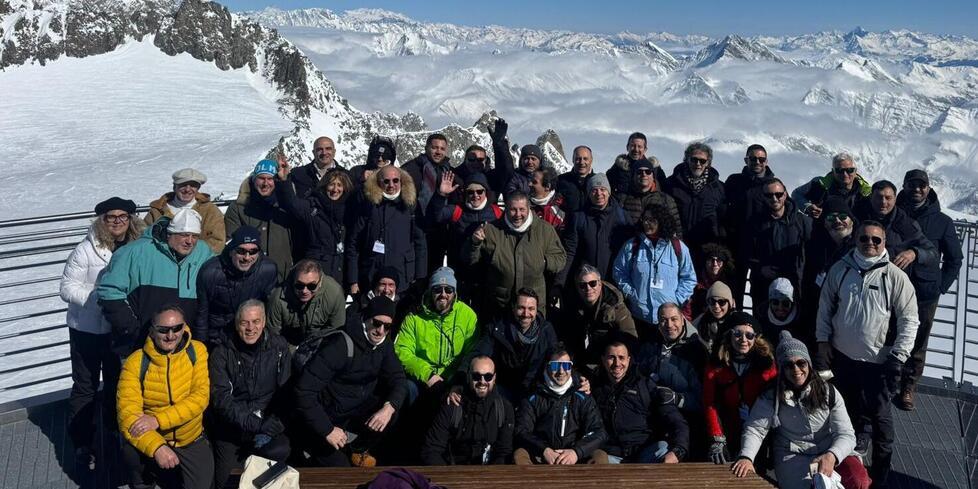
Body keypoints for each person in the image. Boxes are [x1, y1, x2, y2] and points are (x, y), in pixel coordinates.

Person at [815, 220, 919, 486]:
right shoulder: (841, 269)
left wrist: (898, 357)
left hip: (878, 363)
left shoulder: (895, 276)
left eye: (876, 240)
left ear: (884, 243)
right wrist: (823, 341)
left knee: (881, 419)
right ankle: (842, 472)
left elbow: (910, 319)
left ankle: (881, 474)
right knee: (841, 413)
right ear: (855, 240)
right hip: (842, 357)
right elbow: (825, 306)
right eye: (864, 239)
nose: (870, 244)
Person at [60, 197, 144, 468]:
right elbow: (66, 288)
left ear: (131, 219)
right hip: (86, 329)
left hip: (117, 330)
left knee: (116, 382)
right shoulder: (86, 250)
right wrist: (101, 297)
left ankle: (111, 430)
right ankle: (82, 441)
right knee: (85, 386)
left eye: (123, 216)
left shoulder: (137, 247)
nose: (117, 221)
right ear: (102, 220)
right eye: (111, 217)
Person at [733, 331, 871, 489]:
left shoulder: (829, 392)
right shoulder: (771, 396)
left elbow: (846, 434)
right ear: (781, 369)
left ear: (809, 364)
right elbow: (756, 429)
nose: (796, 369)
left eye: (801, 363)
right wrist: (746, 457)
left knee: (859, 481)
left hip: (829, 448)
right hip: (792, 454)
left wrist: (832, 455)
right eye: (788, 365)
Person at [293, 296, 408, 467]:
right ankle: (310, 450)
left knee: (392, 411)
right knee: (342, 471)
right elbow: (303, 391)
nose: (381, 331)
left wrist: (389, 407)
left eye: (387, 326)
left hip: (352, 410)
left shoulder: (384, 344)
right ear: (366, 318)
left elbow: (398, 378)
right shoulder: (339, 345)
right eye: (376, 323)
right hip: (324, 416)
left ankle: (357, 448)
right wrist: (327, 430)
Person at [116, 306, 212, 489]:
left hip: (190, 438)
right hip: (155, 436)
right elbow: (127, 416)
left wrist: (158, 420)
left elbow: (200, 398)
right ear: (152, 331)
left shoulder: (197, 351)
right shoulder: (135, 363)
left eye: (177, 328)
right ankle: (144, 483)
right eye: (163, 329)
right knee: (130, 452)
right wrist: (157, 447)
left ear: (184, 327)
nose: (171, 335)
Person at [98, 208, 214, 357]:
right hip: (140, 347)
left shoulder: (203, 252)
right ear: (170, 233)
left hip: (184, 348)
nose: (189, 241)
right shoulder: (135, 252)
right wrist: (132, 329)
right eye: (184, 235)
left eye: (195, 236)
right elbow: (109, 292)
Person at [896, 169, 963, 409]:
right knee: (886, 335)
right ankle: (888, 381)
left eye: (921, 185)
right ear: (904, 186)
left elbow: (955, 258)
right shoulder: (894, 212)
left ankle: (908, 387)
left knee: (918, 342)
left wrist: (940, 287)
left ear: (928, 188)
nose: (917, 189)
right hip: (893, 288)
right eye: (912, 184)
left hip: (925, 293)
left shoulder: (942, 221)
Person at [208, 300, 292, 489]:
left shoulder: (278, 347)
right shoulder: (222, 352)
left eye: (255, 322)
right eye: (244, 322)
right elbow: (222, 400)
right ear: (237, 324)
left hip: (267, 422)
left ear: (264, 322)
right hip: (233, 428)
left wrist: (274, 424)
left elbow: (286, 393)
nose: (250, 328)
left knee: (278, 457)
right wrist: (256, 424)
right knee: (226, 483)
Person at [464, 191, 566, 319]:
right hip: (499, 305)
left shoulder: (545, 230)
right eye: (513, 209)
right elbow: (472, 262)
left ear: (529, 208)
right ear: (506, 208)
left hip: (533, 306)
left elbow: (560, 257)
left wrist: (544, 262)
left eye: (522, 209)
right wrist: (475, 244)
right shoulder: (491, 230)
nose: (518, 215)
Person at [592, 341, 689, 463]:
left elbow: (674, 419)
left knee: (664, 448)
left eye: (621, 358)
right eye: (612, 358)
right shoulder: (593, 387)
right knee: (595, 458)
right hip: (611, 454)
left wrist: (679, 450)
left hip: (644, 451)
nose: (617, 364)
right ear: (603, 360)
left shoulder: (645, 386)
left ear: (628, 360)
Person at [703, 312, 778, 465]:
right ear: (729, 336)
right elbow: (709, 402)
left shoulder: (765, 364)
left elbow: (773, 402)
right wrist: (717, 437)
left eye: (749, 335)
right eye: (738, 334)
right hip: (727, 425)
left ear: (755, 338)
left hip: (758, 427)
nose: (743, 340)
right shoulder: (716, 365)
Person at [635, 303, 709, 457]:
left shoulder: (695, 351)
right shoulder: (649, 344)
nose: (669, 325)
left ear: (683, 320)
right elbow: (637, 375)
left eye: (674, 319)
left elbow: (703, 399)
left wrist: (677, 398)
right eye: (663, 320)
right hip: (651, 414)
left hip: (685, 420)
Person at [395, 267, 480, 400]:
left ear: (455, 293)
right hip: (423, 378)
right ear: (430, 291)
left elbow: (473, 351)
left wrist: (458, 378)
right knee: (405, 389)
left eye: (448, 290)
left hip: (454, 378)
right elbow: (403, 351)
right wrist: (428, 375)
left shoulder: (468, 315)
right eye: (437, 290)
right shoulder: (415, 317)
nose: (443, 294)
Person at [514, 348, 608, 465]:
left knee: (600, 456)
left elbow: (599, 431)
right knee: (520, 454)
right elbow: (521, 430)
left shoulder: (582, 395)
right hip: (542, 455)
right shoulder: (534, 396)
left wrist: (576, 452)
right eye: (555, 366)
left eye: (566, 366)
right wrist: (544, 450)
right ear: (547, 366)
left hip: (574, 455)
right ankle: (530, 483)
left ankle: (593, 484)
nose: (561, 371)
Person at [345, 164, 426, 295]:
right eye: (386, 181)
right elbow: (353, 243)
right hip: (371, 275)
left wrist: (420, 278)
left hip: (403, 276)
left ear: (401, 181)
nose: (391, 185)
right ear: (379, 182)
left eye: (395, 180)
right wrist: (353, 281)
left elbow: (420, 242)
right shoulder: (368, 204)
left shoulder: (410, 205)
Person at [612, 204, 696, 328]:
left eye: (651, 220)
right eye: (644, 219)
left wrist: (677, 299)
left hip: (668, 320)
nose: (646, 223)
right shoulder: (632, 245)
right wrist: (631, 294)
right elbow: (619, 272)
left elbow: (689, 278)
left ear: (661, 221)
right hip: (639, 316)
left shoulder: (678, 247)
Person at [421, 356, 515, 465]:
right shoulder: (452, 404)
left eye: (488, 377)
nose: (482, 381)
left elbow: (504, 452)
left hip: (489, 474)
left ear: (494, 378)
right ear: (469, 376)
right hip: (452, 471)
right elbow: (431, 450)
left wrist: (491, 477)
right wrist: (448, 477)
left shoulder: (504, 408)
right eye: (476, 376)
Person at [426, 171, 503, 304]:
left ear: (486, 192)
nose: (475, 195)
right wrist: (441, 195)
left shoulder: (496, 212)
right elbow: (435, 216)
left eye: (480, 191)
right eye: (470, 192)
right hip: (460, 272)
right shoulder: (457, 210)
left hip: (487, 273)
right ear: (465, 193)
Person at [195, 226, 278, 346]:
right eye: (241, 251)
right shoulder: (210, 271)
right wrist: (200, 346)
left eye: (253, 251)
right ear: (231, 251)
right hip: (218, 336)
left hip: (250, 333)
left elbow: (270, 309)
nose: (247, 257)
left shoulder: (268, 270)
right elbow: (201, 313)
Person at [472, 288, 558, 401]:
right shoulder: (498, 328)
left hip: (534, 390)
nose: (526, 314)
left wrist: (576, 379)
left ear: (537, 310)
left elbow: (557, 356)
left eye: (531, 309)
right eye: (521, 308)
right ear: (513, 307)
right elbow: (479, 354)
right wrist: (460, 380)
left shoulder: (546, 330)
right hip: (502, 390)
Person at [277, 162, 355, 284]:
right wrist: (284, 180)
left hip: (341, 272)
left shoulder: (350, 209)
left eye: (339, 185)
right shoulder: (312, 206)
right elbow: (291, 203)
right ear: (324, 186)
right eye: (331, 185)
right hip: (316, 272)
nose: (335, 189)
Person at [739, 178, 811, 303]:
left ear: (785, 194)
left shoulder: (801, 222)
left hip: (796, 286)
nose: (774, 199)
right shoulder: (754, 223)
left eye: (778, 194)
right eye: (769, 195)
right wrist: (760, 268)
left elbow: (813, 251)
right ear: (763, 197)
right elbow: (745, 252)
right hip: (763, 286)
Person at [558, 173, 632, 295]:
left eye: (603, 189)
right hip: (586, 284)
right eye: (594, 190)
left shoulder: (622, 217)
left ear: (608, 192)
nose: (599, 194)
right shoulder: (579, 218)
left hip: (613, 283)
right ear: (588, 193)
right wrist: (559, 283)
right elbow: (570, 252)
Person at [225, 160, 298, 283]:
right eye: (261, 178)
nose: (265, 183)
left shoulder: (287, 207)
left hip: (282, 278)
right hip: (247, 279)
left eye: (270, 179)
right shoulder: (238, 208)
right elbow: (230, 242)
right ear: (254, 180)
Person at [799, 197, 856, 347]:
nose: (838, 221)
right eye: (831, 217)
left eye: (843, 216)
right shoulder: (815, 248)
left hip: (850, 324)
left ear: (852, 221)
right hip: (819, 321)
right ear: (824, 222)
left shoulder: (861, 249)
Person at [558, 265, 637, 367]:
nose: (588, 288)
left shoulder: (615, 306)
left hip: (608, 360)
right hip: (580, 357)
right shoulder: (570, 304)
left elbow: (630, 338)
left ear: (600, 284)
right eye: (583, 285)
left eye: (593, 283)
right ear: (577, 287)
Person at [401, 133, 454, 273]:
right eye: (435, 147)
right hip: (414, 229)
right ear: (426, 148)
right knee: (416, 272)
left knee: (434, 271)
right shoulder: (410, 169)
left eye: (442, 149)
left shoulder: (448, 171)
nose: (438, 152)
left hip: (439, 230)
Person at [266, 259, 346, 347]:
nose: (304, 291)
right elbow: (273, 336)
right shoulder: (277, 298)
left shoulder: (334, 293)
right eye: (299, 285)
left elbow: (337, 332)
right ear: (293, 281)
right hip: (288, 343)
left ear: (320, 282)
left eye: (311, 286)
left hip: (320, 344)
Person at [144, 168, 226, 253]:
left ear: (198, 188)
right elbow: (144, 237)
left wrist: (192, 255)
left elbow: (217, 241)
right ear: (174, 186)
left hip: (198, 262)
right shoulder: (157, 211)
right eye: (183, 184)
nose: (187, 189)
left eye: (193, 185)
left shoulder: (210, 211)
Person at [664, 142, 726, 253]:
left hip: (707, 247)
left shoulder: (718, 187)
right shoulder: (671, 184)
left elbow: (722, 218)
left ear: (708, 163)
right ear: (687, 160)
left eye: (702, 161)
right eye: (694, 159)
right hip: (677, 244)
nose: (698, 164)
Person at [792, 152, 871, 220]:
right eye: (839, 171)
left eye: (849, 170)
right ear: (833, 171)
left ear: (855, 171)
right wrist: (807, 207)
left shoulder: (866, 192)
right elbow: (796, 194)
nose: (845, 174)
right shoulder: (819, 184)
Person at [724, 144, 776, 248]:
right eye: (753, 159)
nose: (757, 162)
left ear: (766, 161)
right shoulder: (734, 181)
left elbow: (786, 208)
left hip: (766, 242)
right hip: (736, 242)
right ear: (746, 160)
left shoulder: (774, 185)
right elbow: (721, 206)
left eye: (761, 159)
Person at [488, 117, 544, 196]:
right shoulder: (513, 177)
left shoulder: (546, 179)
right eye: (526, 158)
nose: (530, 162)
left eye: (533, 159)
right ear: (521, 160)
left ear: (539, 161)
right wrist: (499, 145)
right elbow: (504, 166)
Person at [617, 158, 682, 226]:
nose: (644, 174)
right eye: (639, 172)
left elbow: (676, 227)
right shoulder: (623, 199)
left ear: (653, 176)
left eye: (648, 172)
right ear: (633, 176)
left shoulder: (666, 200)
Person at [607, 132, 667, 197]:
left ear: (645, 149)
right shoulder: (618, 168)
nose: (636, 149)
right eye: (633, 146)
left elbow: (664, 189)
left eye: (640, 146)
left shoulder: (654, 168)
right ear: (627, 147)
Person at [689, 243, 735, 319]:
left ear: (724, 264)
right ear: (705, 262)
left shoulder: (730, 284)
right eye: (711, 260)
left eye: (719, 260)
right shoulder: (694, 281)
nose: (715, 264)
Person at [691, 281, 736, 351]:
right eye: (712, 301)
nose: (716, 306)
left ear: (729, 304)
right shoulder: (700, 322)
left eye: (721, 302)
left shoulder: (737, 321)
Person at [756, 278, 802, 345]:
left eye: (786, 303)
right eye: (775, 302)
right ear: (769, 303)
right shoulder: (761, 318)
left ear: (792, 303)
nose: (780, 308)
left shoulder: (802, 321)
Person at [556, 145, 597, 213]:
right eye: (578, 159)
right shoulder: (560, 180)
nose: (581, 162)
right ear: (573, 160)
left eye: (585, 159)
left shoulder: (599, 182)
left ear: (591, 160)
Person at [529, 167, 567, 232]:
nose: (529, 184)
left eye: (534, 182)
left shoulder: (561, 210)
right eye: (530, 181)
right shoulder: (524, 204)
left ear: (547, 187)